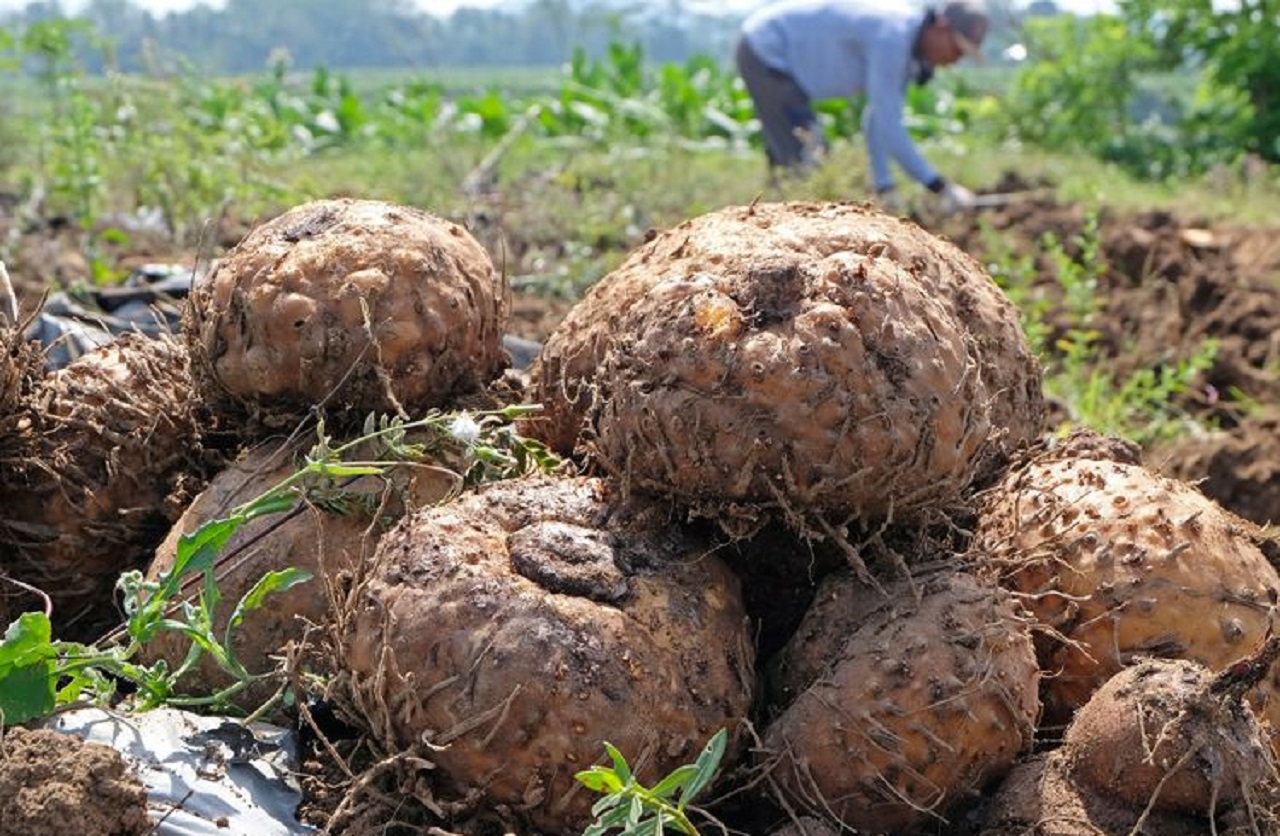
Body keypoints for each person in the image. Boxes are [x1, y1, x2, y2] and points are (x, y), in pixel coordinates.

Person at [735, 0, 988, 214]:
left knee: (804, 161)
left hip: (776, 57)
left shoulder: (906, 42)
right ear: (940, 27)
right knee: (808, 161)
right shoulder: (893, 37)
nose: (955, 60)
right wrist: (939, 187)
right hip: (767, 50)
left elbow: (879, 118)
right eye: (957, 50)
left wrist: (884, 186)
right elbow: (889, 124)